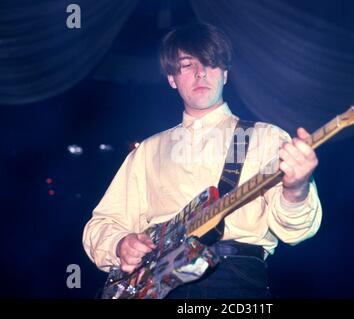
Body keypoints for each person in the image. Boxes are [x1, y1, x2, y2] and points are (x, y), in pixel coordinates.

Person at [83, 22, 322, 299]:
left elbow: (298, 232)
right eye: (187, 65)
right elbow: (101, 223)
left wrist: (296, 189)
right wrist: (120, 243)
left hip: (233, 279)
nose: (200, 73)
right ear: (172, 78)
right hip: (156, 285)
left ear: (225, 74)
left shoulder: (265, 138)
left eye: (210, 63)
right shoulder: (147, 151)